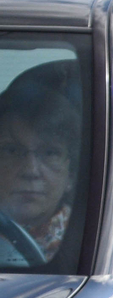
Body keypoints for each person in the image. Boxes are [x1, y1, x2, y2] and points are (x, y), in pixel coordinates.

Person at [0, 67, 83, 263]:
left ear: (70, 175)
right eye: (11, 150)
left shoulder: (93, 239)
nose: (30, 170)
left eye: (49, 153)